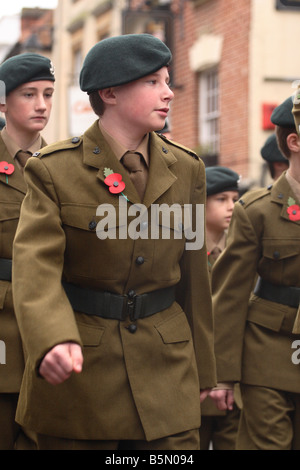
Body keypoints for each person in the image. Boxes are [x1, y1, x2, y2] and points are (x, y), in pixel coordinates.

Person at [12, 34, 216, 450]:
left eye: (167, 80)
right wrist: (52, 338)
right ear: (110, 93)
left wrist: (206, 375)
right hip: (83, 379)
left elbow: (196, 278)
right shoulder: (55, 170)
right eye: (153, 82)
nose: (169, 92)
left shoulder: (189, 169)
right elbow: (35, 267)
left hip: (168, 374)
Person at [209, 93, 300, 450]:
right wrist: (223, 376)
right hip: (268, 353)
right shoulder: (257, 211)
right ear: (294, 142)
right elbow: (229, 295)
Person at [0, 52, 55, 450]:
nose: (41, 105)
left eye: (49, 94)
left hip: (52, 331)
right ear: (3, 101)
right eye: (29, 93)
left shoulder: (66, 166)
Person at [200, 166, 241, 450]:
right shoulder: (182, 251)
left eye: (235, 199)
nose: (231, 207)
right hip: (195, 385)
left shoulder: (241, 252)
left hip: (234, 386)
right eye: (221, 199)